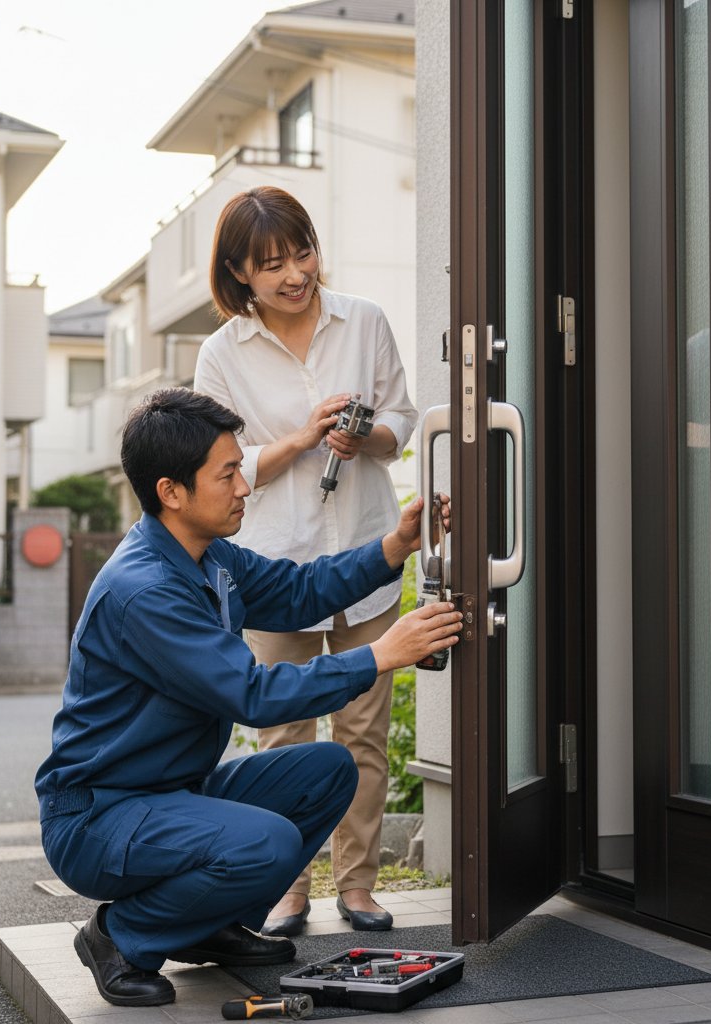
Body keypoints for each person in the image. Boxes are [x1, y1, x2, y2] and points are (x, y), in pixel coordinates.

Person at [35, 388, 459, 1008]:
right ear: (171, 491)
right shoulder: (145, 590)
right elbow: (251, 694)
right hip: (99, 817)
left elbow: (300, 591)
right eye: (228, 473)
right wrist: (380, 654)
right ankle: (120, 936)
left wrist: (396, 545)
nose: (244, 487)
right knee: (269, 844)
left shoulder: (208, 556)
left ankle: (208, 924)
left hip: (166, 796)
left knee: (328, 770)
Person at [193, 185, 417, 936]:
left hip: (365, 552)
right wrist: (300, 439)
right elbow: (214, 464)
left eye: (302, 252)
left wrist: (369, 439)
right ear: (239, 274)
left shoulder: (366, 320)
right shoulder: (221, 353)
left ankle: (357, 885)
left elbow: (403, 420)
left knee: (362, 732)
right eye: (273, 263)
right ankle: (287, 887)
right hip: (269, 569)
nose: (295, 273)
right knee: (282, 738)